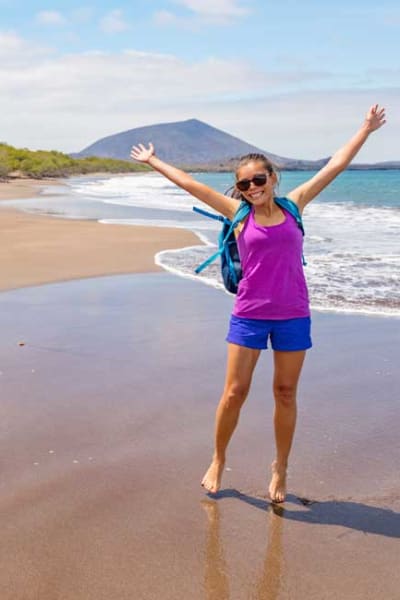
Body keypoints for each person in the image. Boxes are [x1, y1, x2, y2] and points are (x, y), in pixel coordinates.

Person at [130, 105, 386, 502]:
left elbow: (334, 166)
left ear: (272, 178)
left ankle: (280, 468)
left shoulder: (293, 205)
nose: (252, 188)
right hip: (249, 314)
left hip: (293, 315)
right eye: (244, 184)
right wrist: (154, 161)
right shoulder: (238, 212)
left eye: (258, 180)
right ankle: (218, 458)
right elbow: (191, 186)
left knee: (285, 392)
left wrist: (365, 130)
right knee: (235, 392)